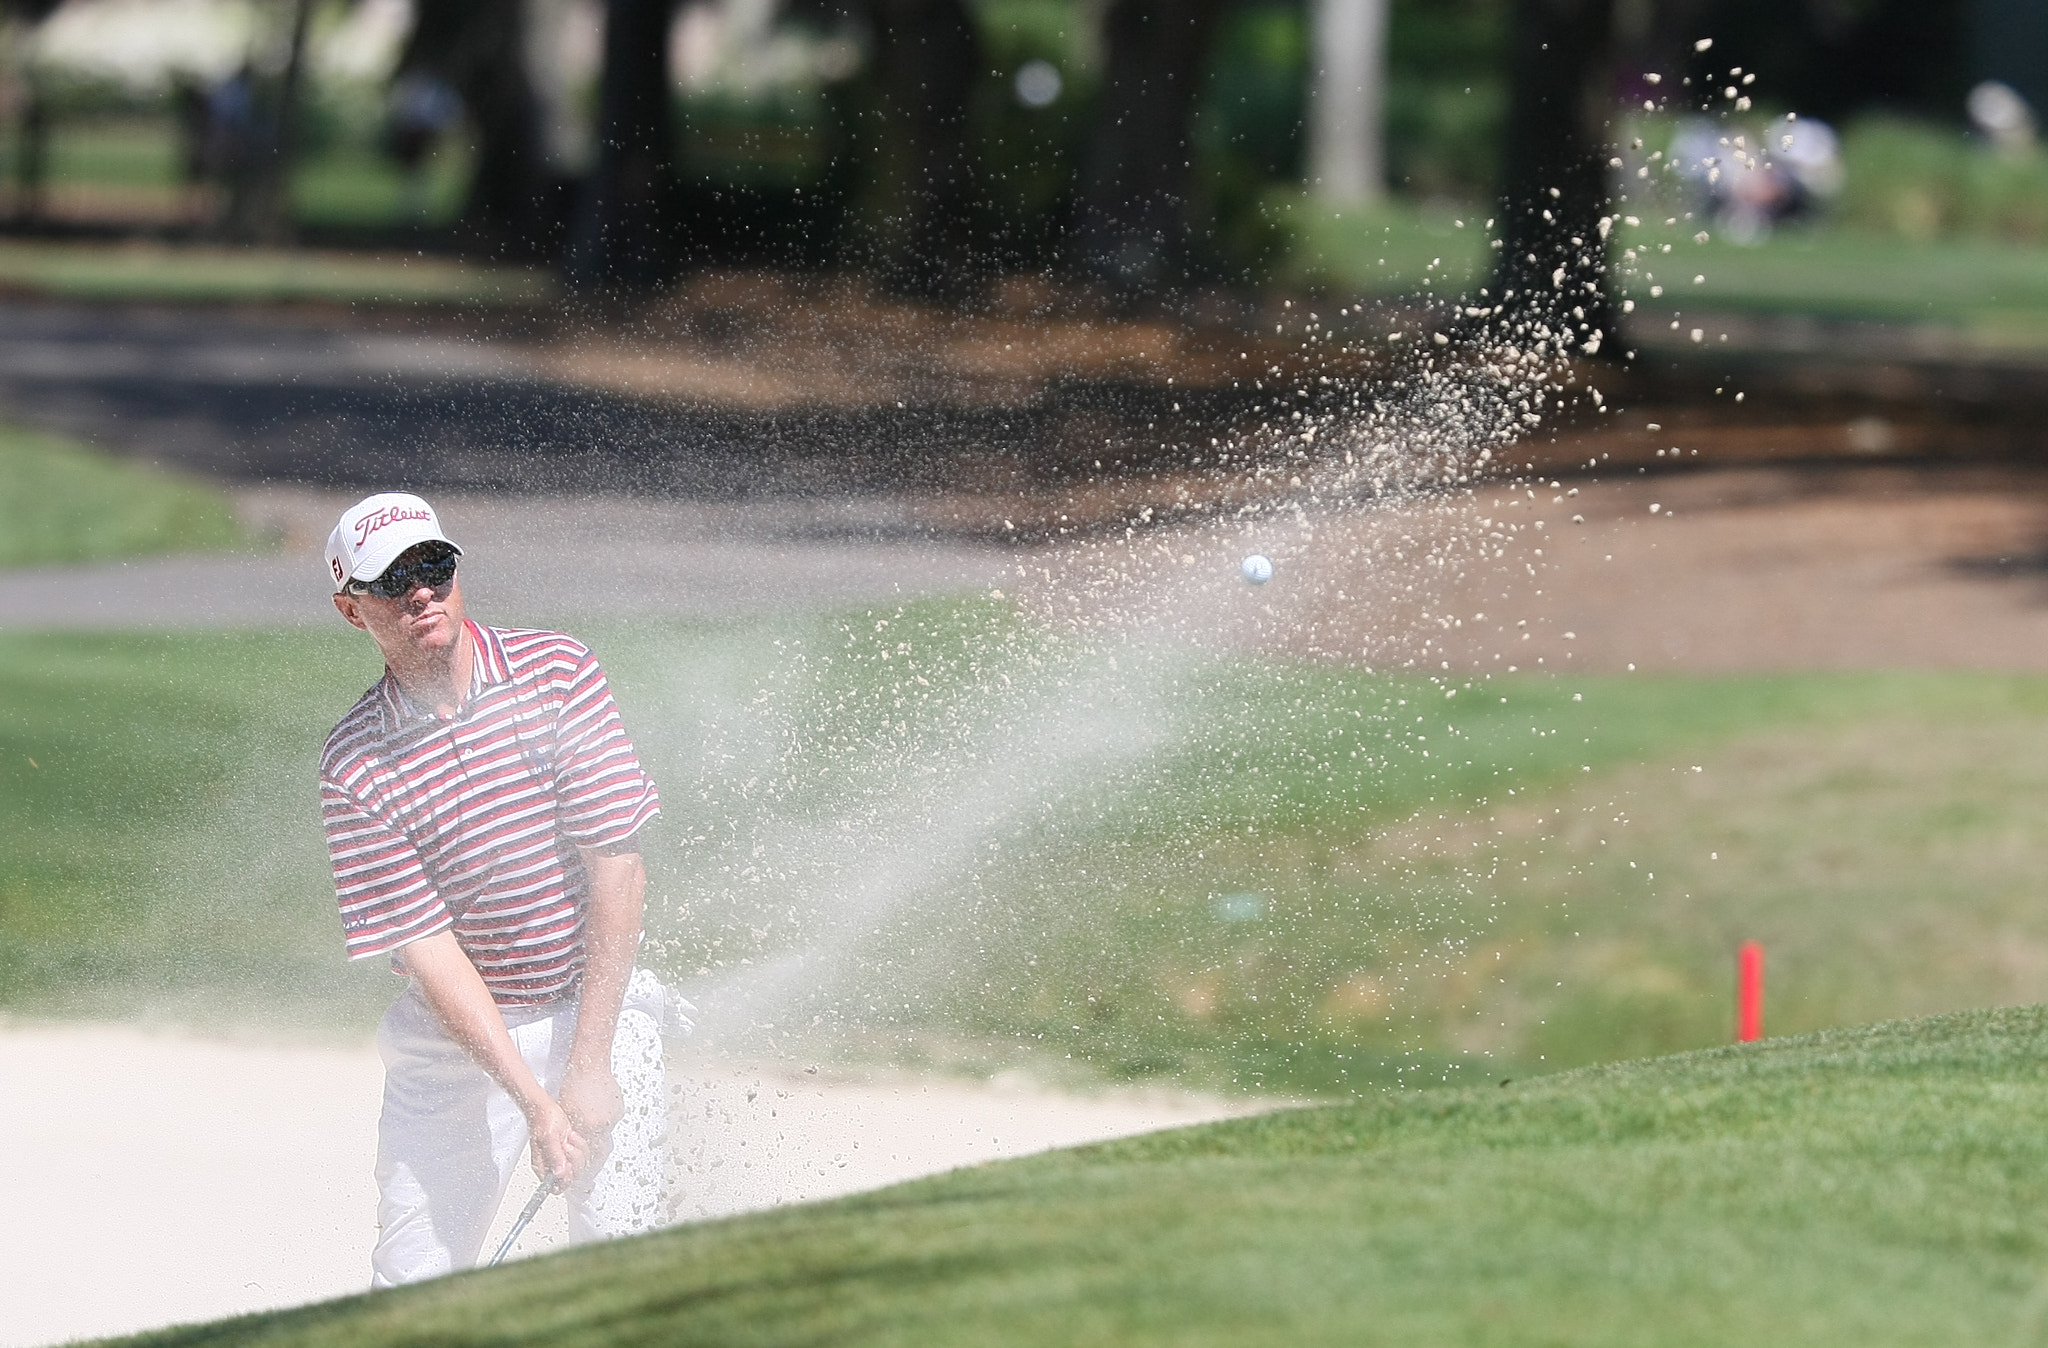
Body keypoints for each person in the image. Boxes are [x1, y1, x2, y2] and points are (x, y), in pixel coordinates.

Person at [317, 491, 672, 1285]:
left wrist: (587, 1065)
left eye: (434, 566)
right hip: (457, 1043)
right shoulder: (354, 765)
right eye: (392, 580)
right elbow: (429, 949)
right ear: (352, 610)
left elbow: (616, 866)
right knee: (413, 1284)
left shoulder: (557, 672)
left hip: (597, 1006)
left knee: (621, 1265)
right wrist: (537, 1104)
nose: (421, 592)